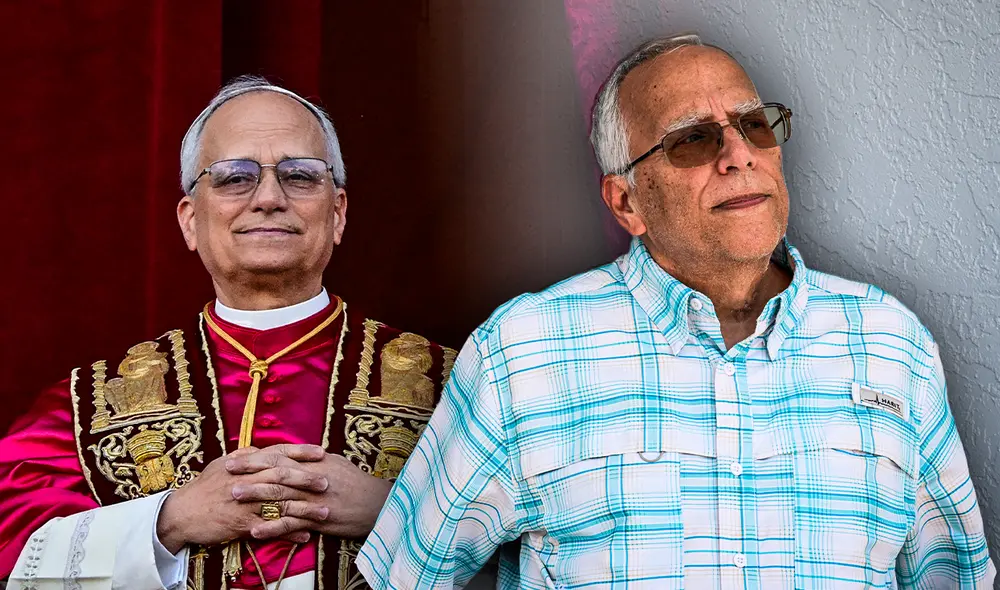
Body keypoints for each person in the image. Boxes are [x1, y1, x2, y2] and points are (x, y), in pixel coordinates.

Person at [357, 33, 996, 589]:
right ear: (626, 203)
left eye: (754, 125)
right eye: (691, 140)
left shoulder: (890, 343)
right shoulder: (523, 352)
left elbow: (955, 577)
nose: (739, 155)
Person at [0, 76, 457, 590]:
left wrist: (395, 511)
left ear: (338, 213)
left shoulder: (458, 386)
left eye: (300, 175)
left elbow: (548, 545)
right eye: (234, 177)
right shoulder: (90, 404)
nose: (268, 197)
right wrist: (168, 521)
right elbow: (11, 552)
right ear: (190, 221)